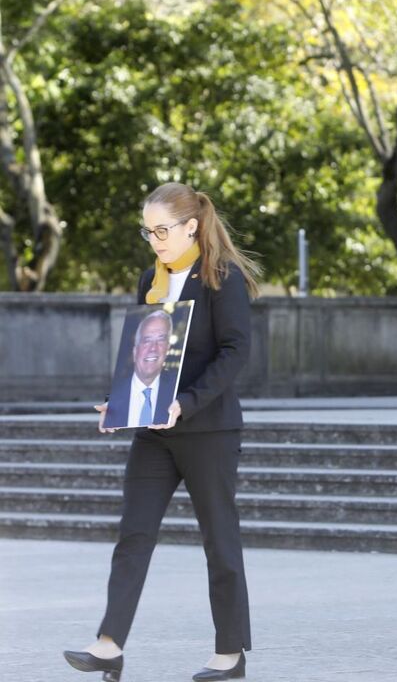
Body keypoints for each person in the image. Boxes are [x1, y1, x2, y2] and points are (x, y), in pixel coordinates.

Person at [65, 182, 261, 682]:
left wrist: (186, 403)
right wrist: (122, 403)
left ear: (190, 226)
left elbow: (235, 353)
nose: (153, 239)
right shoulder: (148, 281)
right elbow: (142, 355)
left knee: (220, 541)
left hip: (208, 430)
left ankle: (230, 653)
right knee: (133, 534)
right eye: (147, 230)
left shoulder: (223, 279)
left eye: (162, 230)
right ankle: (109, 645)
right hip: (154, 433)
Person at [105, 310, 179, 428]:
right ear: (135, 352)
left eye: (160, 340)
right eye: (147, 340)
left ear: (167, 349)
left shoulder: (179, 394)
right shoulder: (115, 395)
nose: (153, 348)